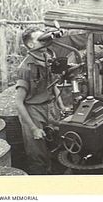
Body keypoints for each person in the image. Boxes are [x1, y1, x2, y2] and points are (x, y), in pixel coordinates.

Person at [15, 27, 67, 175]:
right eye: (41, 39)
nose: (46, 42)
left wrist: (61, 105)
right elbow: (19, 102)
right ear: (31, 45)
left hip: (51, 107)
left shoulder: (48, 57)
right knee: (38, 155)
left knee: (58, 147)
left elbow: (53, 83)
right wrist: (33, 128)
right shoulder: (26, 68)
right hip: (33, 111)